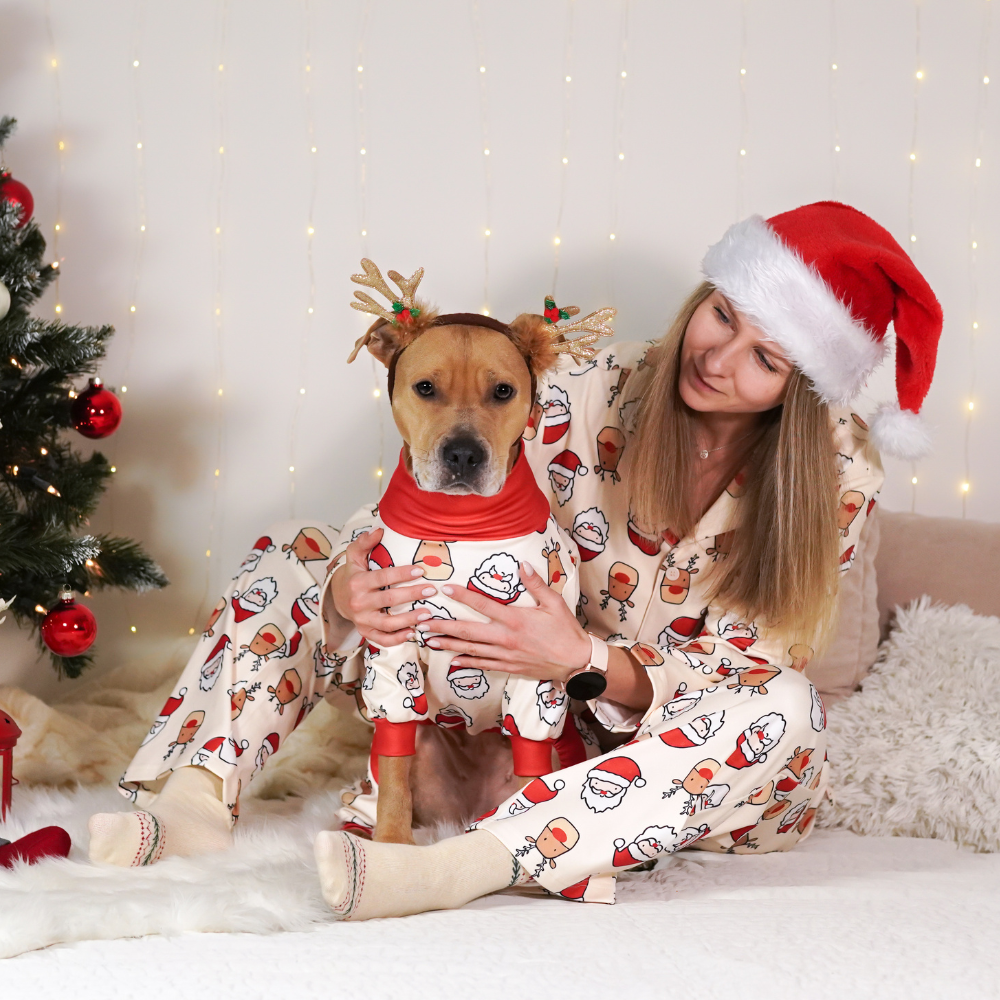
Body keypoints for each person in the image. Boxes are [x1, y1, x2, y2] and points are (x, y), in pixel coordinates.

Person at [88, 203, 940, 912]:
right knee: (300, 560)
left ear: (804, 385)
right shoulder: (579, 387)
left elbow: (752, 667)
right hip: (494, 707)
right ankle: (198, 797)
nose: (717, 360)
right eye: (722, 316)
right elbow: (416, 513)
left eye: (766, 358)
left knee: (784, 709)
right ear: (703, 297)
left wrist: (586, 660)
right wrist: (352, 590)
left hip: (656, 763)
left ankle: (458, 868)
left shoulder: (838, 471)